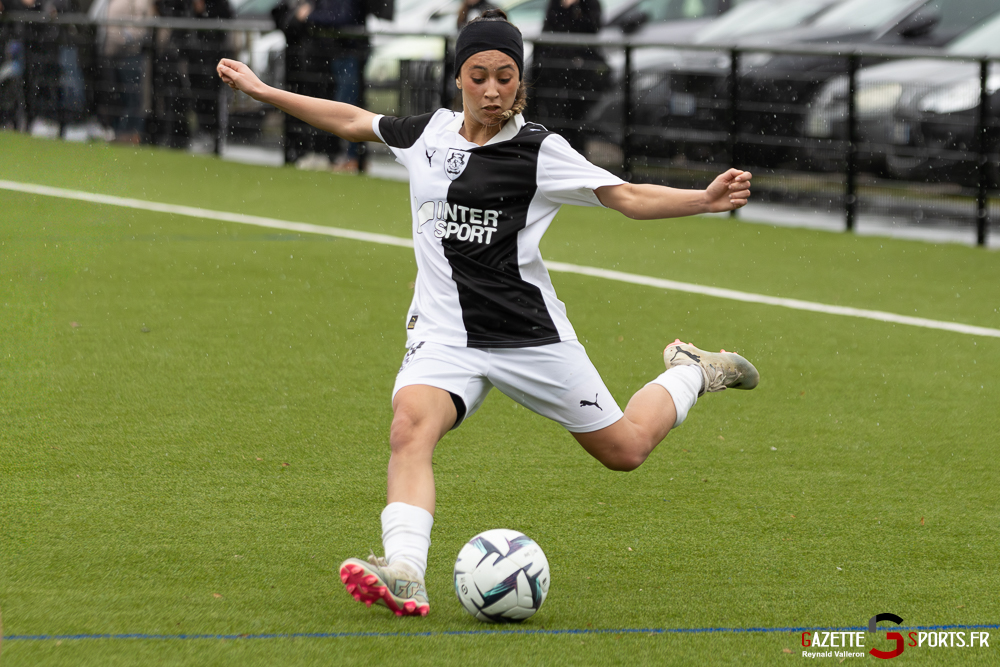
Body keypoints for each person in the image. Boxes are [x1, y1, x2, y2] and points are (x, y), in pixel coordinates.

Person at [217, 8, 757, 618]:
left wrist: (704, 200)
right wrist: (264, 91)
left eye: (506, 75)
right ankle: (406, 572)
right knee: (409, 429)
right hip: (445, 334)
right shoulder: (428, 134)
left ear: (520, 80)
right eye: (479, 75)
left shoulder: (540, 150)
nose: (493, 89)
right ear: (459, 78)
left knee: (625, 449)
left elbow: (626, 197)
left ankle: (689, 369)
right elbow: (350, 119)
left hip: (526, 334)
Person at [530, 0, 607, 153]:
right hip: (554, 72)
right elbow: (548, 29)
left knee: (576, 123)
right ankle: (556, 156)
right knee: (554, 121)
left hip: (579, 75)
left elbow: (592, 28)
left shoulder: (589, 4)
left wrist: (574, 7)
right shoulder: (555, 4)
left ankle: (575, 157)